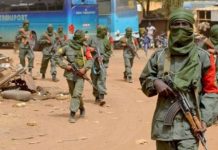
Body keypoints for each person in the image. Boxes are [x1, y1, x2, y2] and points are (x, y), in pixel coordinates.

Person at [139, 8, 210, 150]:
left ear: (191, 27)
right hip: (164, 128)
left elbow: (212, 91)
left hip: (190, 127)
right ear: (170, 27)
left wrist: (204, 119)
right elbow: (145, 79)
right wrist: (155, 82)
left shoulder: (203, 57)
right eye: (176, 24)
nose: (180, 27)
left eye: (185, 24)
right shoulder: (159, 56)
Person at [55, 30, 93, 123]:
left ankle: (72, 114)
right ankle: (82, 108)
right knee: (74, 94)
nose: (84, 39)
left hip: (80, 74)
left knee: (76, 93)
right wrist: (65, 66)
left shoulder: (84, 48)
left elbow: (90, 59)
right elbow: (56, 56)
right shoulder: (67, 47)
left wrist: (84, 69)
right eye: (82, 38)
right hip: (70, 75)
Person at [87, 25, 112, 106]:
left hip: (103, 63)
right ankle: (96, 96)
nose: (105, 32)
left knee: (102, 78)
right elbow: (84, 47)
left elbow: (109, 51)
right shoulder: (91, 38)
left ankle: (101, 97)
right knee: (94, 79)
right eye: (104, 31)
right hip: (93, 62)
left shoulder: (106, 40)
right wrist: (90, 49)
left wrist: (103, 57)